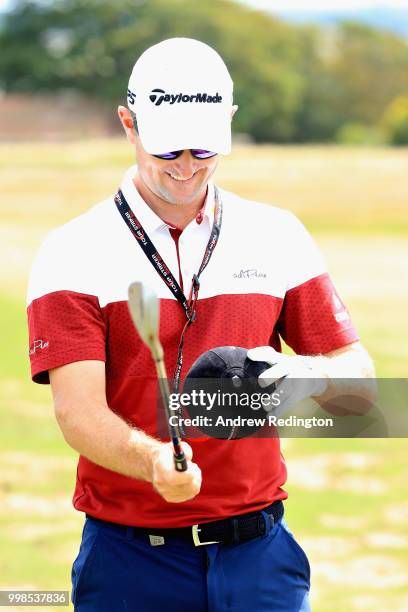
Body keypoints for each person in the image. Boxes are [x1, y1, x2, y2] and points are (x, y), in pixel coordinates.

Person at [27, 38, 375, 611]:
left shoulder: (278, 233)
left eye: (203, 148)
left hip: (261, 557)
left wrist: (293, 376)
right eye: (168, 151)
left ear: (230, 121)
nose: (186, 167)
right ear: (128, 123)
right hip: (130, 563)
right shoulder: (72, 250)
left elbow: (358, 382)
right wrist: (153, 460)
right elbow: (77, 412)